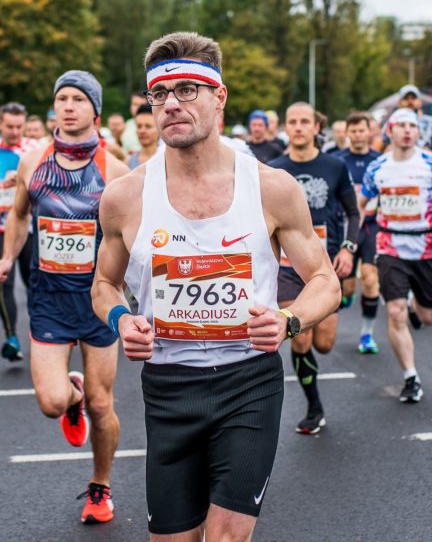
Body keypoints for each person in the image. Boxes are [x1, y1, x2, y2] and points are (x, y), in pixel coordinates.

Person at [91, 32, 340, 538]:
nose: (171, 104)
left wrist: (289, 320)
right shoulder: (124, 197)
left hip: (248, 382)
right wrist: (121, 320)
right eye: (160, 93)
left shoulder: (272, 187)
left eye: (187, 90)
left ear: (219, 96)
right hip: (168, 386)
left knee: (226, 534)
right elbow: (103, 284)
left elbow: (325, 281)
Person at [0, 71, 130, 523]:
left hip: (98, 298)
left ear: (95, 110)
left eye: (78, 99)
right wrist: (7, 256)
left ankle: (100, 487)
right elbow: (19, 216)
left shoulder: (115, 170)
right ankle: (72, 399)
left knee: (103, 403)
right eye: (62, 98)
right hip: (48, 298)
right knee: (51, 402)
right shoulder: (33, 161)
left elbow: (128, 236)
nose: (68, 106)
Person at [360, 108, 432, 402]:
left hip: (427, 247)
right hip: (390, 246)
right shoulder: (377, 167)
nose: (407, 130)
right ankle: (411, 377)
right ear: (390, 131)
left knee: (428, 317)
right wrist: (352, 240)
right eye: (401, 125)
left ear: (418, 132)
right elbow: (361, 201)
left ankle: (413, 305)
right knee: (394, 312)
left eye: (412, 126)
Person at [268, 102, 359, 434]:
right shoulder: (274, 170)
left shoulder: (334, 166)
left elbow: (353, 213)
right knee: (301, 338)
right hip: (287, 268)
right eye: (292, 121)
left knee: (324, 344)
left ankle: (343, 297)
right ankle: (314, 407)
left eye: (304, 121)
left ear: (316, 127)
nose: (298, 127)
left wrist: (348, 248)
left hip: (324, 265)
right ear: (286, 127)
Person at [334, 112, 383, 353]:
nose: (357, 135)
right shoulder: (337, 161)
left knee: (371, 279)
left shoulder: (380, 161)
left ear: (369, 132)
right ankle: (347, 294)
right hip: (347, 227)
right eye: (353, 131)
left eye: (361, 130)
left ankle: (366, 334)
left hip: (372, 227)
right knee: (348, 287)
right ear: (347, 133)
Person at [0, 102, 42, 361]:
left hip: (28, 227)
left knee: (33, 281)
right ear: (1, 124)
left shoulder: (34, 150)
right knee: (3, 282)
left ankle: (41, 333)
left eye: (19, 126)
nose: (14, 132)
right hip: (2, 227)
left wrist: (23, 183)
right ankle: (11, 338)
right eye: (9, 126)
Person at [382, 85, 432, 162]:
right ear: (399, 102)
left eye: (413, 98)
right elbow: (378, 151)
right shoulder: (392, 123)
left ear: (420, 101)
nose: (410, 101)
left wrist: (427, 154)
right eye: (406, 98)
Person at [127, 104, 160, 169]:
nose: (142, 131)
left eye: (148, 126)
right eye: (139, 126)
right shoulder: (128, 162)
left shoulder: (168, 160)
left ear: (159, 129)